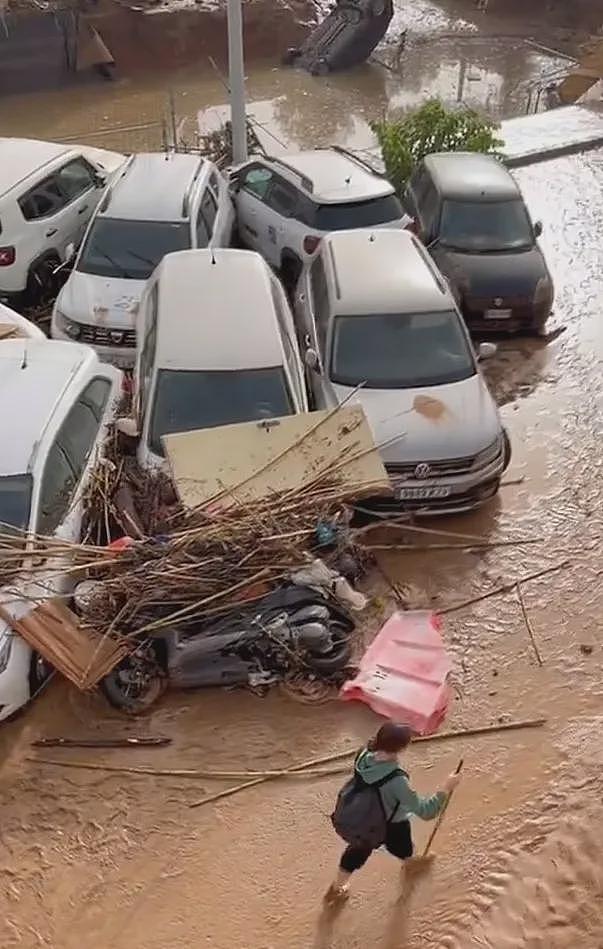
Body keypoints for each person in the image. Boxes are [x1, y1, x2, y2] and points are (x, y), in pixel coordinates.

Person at [326, 722, 462, 901]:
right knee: (401, 845)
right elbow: (426, 811)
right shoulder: (397, 781)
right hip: (390, 823)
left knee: (355, 853)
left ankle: (336, 889)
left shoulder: (363, 754)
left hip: (359, 818)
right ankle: (410, 863)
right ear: (402, 748)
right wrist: (446, 787)